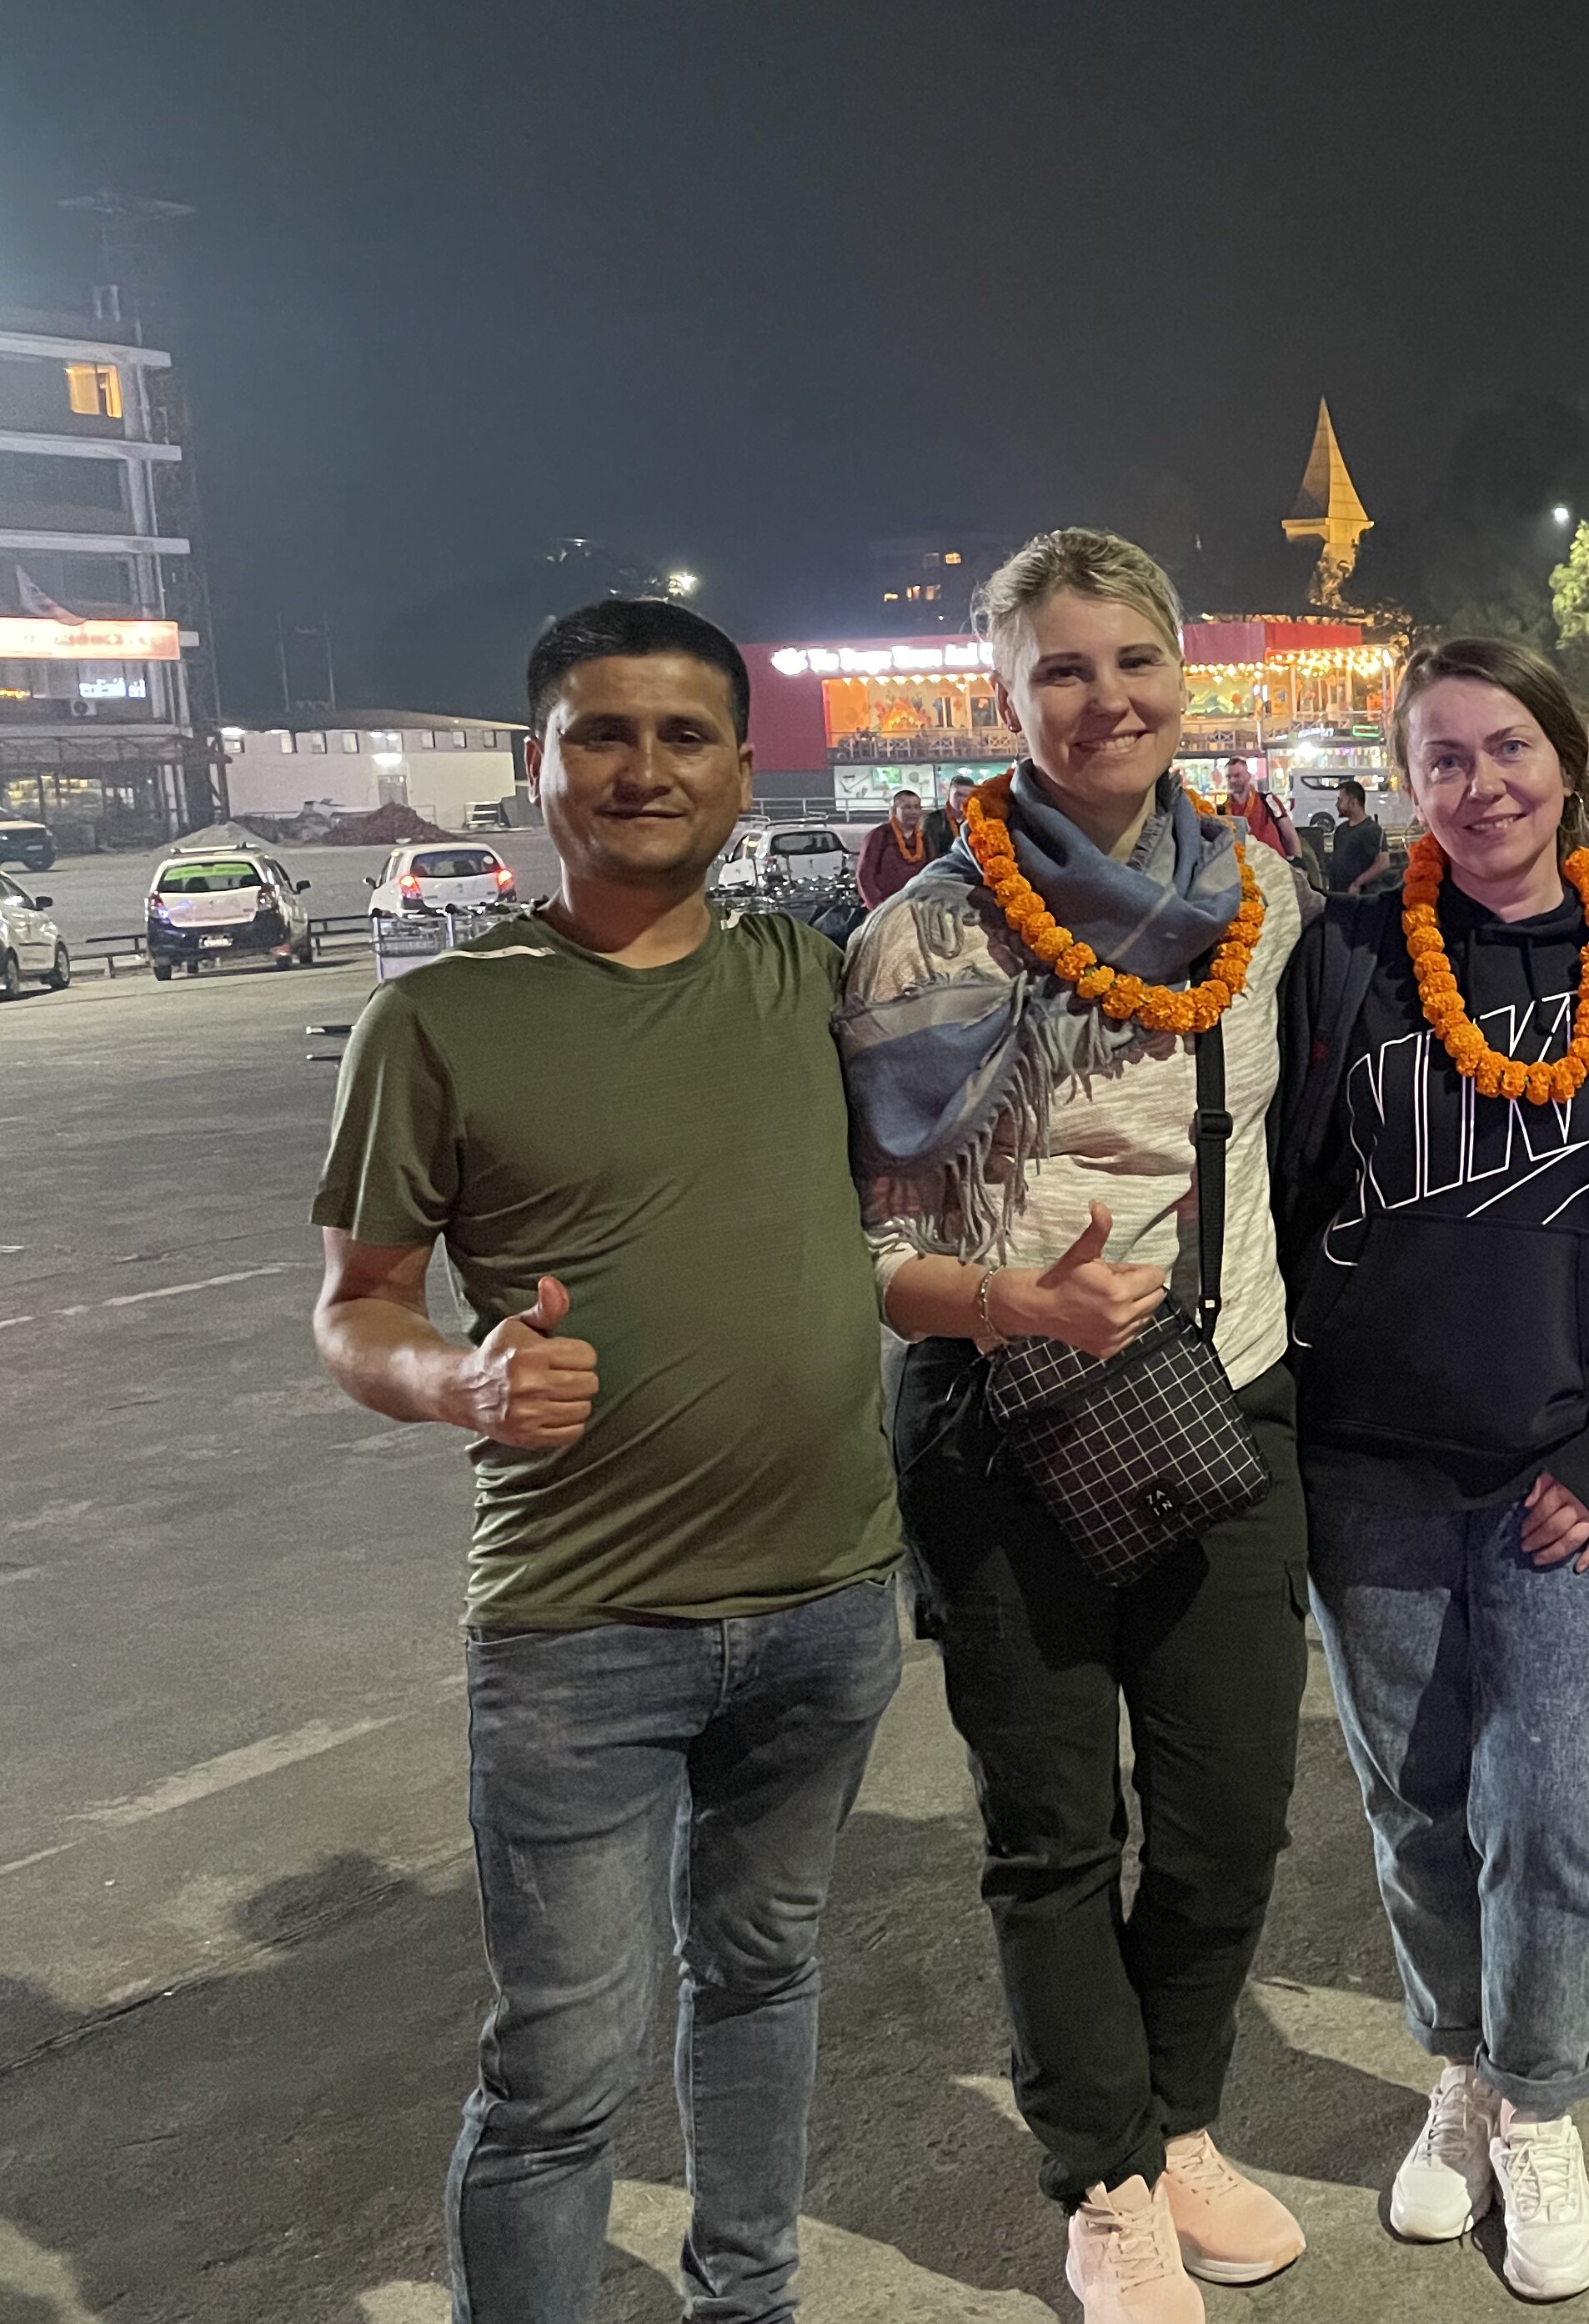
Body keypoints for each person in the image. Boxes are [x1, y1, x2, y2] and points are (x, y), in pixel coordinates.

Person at [310, 597, 906, 2324]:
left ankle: (749, 2297)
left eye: (684, 734)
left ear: (743, 771)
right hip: (580, 1631)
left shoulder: (810, 983)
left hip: (829, 1598)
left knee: (765, 1976)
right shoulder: (439, 1022)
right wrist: (460, 1381)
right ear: (539, 762)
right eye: (602, 733)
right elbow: (356, 1306)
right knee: (564, 2065)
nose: (645, 768)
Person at [842, 531, 1311, 2324]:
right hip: (1001, 1418)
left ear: (1184, 675)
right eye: (1060, 667)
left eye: (1134, 660)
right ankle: (1104, 2180)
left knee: (1228, 1815)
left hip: (1226, 1399)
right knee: (1050, 1831)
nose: (1105, 699)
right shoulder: (922, 935)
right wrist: (1018, 1302)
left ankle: (1178, 2118)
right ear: (1003, 697)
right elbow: (872, 1252)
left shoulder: (1264, 902)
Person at [1274, 634, 1589, 2301]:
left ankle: (1540, 2104)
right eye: (1444, 757)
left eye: (1510, 748)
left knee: (1549, 1802)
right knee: (1415, 1804)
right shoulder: (1343, 960)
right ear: (1407, 782)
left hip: (1562, 1473)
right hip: (1369, 1472)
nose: (1482, 785)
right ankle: (1460, 2070)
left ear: (1566, 758)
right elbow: (1275, 1200)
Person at [856, 785, 942, 906]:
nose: (913, 812)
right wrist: (876, 905)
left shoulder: (925, 837)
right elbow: (865, 875)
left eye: (917, 807)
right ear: (894, 810)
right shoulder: (880, 835)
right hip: (885, 904)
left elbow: (933, 871)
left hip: (918, 903)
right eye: (907, 807)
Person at [1220, 754, 1298, 859]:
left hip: (1276, 864)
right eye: (1228, 777)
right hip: (1244, 865)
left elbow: (1290, 835)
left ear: (1248, 776)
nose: (1232, 780)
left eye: (1237, 776)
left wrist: (1298, 863)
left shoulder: (1269, 801)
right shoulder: (1221, 811)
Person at [1322, 779, 1392, 896]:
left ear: (1353, 803)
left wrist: (1358, 883)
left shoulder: (1373, 830)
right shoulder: (1341, 830)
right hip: (1339, 896)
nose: (1337, 805)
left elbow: (1383, 864)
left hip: (1362, 897)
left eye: (1340, 801)